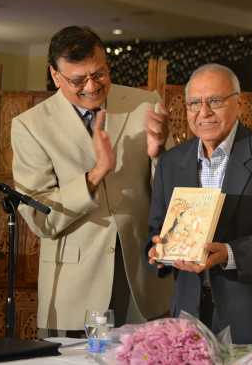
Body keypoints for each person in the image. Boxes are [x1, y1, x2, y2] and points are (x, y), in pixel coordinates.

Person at [11, 26, 173, 336]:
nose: (91, 86)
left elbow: (175, 195)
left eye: (99, 74)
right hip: (73, 290)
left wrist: (160, 153)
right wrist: (96, 174)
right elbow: (40, 219)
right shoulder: (30, 126)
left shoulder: (145, 103)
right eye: (77, 80)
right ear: (55, 76)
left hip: (141, 276)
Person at [147, 63, 252, 352]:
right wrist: (159, 251)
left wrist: (228, 253)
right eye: (194, 103)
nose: (204, 112)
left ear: (239, 103)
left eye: (215, 101)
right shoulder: (171, 163)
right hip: (191, 317)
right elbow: (157, 228)